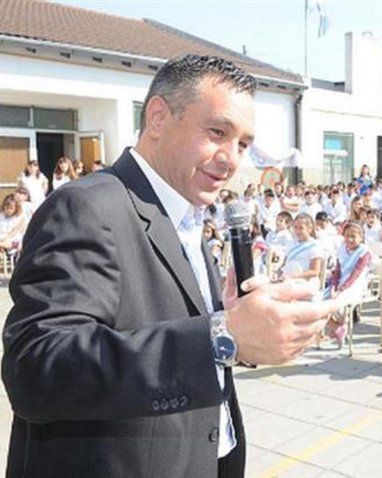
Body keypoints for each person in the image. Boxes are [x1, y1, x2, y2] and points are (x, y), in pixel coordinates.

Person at [1, 55, 339, 477]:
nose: (231, 159)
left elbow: (165, 329)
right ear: (158, 117)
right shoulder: (87, 206)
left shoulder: (186, 214)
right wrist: (223, 335)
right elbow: (37, 369)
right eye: (217, 132)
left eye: (243, 144)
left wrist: (232, 321)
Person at [325, 222, 372, 348]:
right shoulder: (342, 249)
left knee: (336, 302)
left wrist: (340, 290)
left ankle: (339, 328)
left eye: (353, 236)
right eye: (347, 236)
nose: (350, 239)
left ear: (361, 237)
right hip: (340, 284)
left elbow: (355, 274)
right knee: (318, 302)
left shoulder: (364, 252)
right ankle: (337, 327)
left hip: (355, 285)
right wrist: (334, 286)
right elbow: (337, 270)